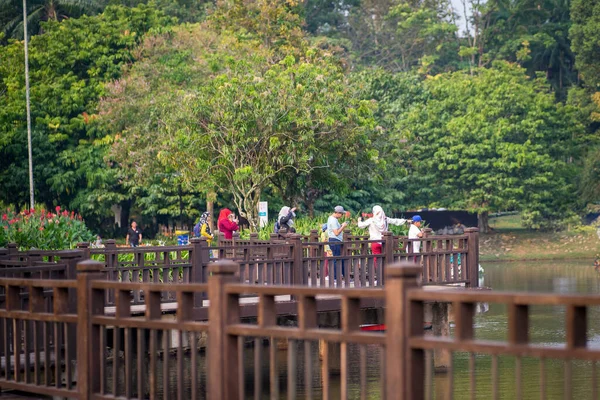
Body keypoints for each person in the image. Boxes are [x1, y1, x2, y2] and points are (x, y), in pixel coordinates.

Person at [327, 205, 349, 284]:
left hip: (334, 240)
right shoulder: (333, 220)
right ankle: (336, 278)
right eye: (342, 214)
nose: (342, 216)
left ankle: (341, 276)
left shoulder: (332, 219)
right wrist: (343, 226)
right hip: (335, 240)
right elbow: (336, 233)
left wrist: (341, 225)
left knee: (339, 259)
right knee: (337, 259)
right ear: (338, 213)